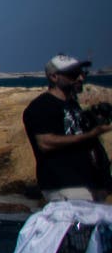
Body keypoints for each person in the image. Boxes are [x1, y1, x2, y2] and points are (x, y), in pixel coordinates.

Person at [22, 54, 112, 203]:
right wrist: (91, 134)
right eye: (73, 74)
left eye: (82, 73)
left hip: (87, 186)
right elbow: (46, 143)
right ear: (54, 77)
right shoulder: (42, 106)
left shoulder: (72, 105)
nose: (80, 78)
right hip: (65, 186)